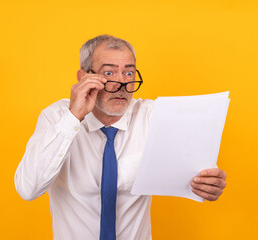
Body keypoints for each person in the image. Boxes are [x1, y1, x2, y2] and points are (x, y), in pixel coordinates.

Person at [14, 34, 227, 240]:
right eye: (108, 73)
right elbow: (28, 188)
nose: (121, 85)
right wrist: (74, 117)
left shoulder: (153, 117)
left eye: (128, 73)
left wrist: (208, 183)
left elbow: (195, 171)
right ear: (83, 78)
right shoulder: (57, 118)